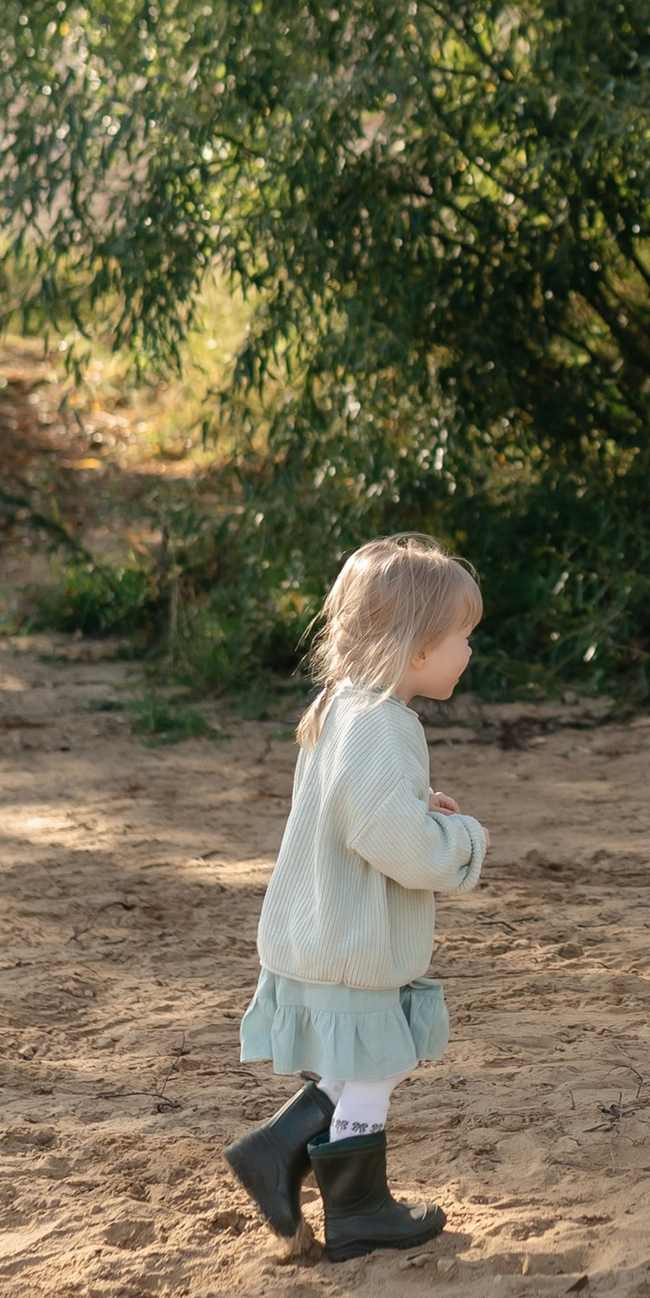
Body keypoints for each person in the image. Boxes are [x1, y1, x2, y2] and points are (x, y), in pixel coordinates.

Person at [222, 534, 490, 1257]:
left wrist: (414, 801)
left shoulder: (345, 706)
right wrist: (459, 839)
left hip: (326, 928)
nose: (470, 650)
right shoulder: (381, 722)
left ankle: (278, 1150)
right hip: (352, 938)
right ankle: (359, 1208)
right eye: (462, 636)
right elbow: (385, 834)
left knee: (372, 1059)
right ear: (416, 649)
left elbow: (361, 808)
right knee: (378, 1064)